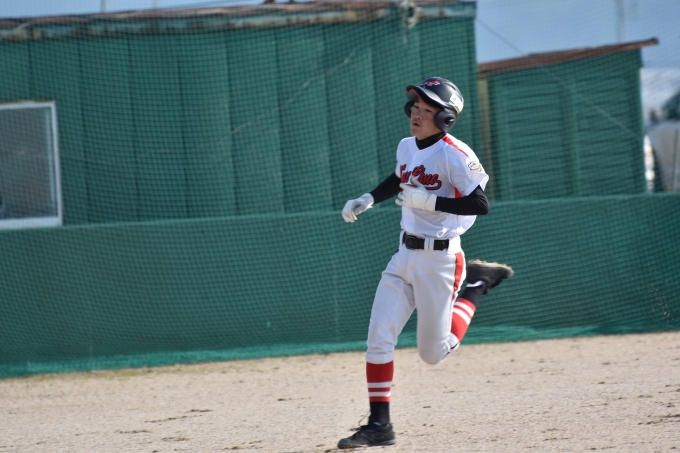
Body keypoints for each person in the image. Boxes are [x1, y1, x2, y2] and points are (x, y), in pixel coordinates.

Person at [337, 77, 514, 449]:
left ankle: (477, 285)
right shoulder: (407, 146)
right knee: (378, 338)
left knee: (433, 353)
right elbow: (400, 178)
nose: (416, 114)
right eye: (415, 106)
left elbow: (480, 204)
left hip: (441, 261)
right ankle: (379, 425)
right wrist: (369, 197)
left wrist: (430, 202)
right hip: (404, 255)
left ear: (446, 118)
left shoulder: (455, 154)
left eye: (427, 109)